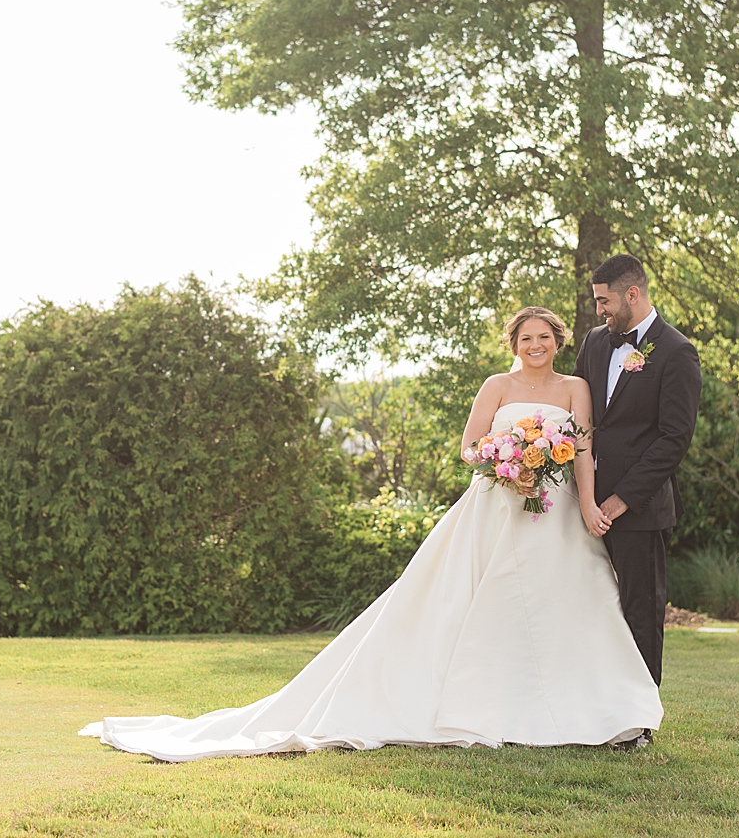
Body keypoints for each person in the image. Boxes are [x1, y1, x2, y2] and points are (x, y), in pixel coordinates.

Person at [82, 306, 662, 761]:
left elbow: (583, 448)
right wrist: (502, 456)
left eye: (544, 338)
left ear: (558, 342)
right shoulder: (496, 386)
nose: (535, 347)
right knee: (473, 604)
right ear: (514, 344)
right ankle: (482, 705)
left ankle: (596, 710)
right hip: (498, 504)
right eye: (525, 339)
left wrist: (587, 503)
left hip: (557, 510)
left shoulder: (573, 388)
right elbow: (467, 446)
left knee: (571, 604)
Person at [572, 254, 701, 721]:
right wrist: (582, 494)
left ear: (633, 294)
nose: (599, 311)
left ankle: (638, 719)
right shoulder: (592, 343)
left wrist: (619, 500)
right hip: (582, 503)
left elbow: (673, 440)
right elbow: (578, 417)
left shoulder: (676, 351)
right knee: (585, 603)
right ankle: (589, 707)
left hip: (639, 511)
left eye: (605, 301)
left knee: (640, 612)